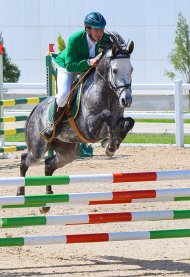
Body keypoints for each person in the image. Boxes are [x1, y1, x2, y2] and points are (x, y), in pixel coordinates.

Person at [44, 12, 109, 140]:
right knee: (63, 96)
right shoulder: (75, 38)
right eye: (96, 29)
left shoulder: (105, 38)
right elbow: (70, 65)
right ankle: (54, 127)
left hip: (89, 68)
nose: (100, 32)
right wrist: (88, 62)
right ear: (88, 29)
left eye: (102, 28)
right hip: (68, 67)